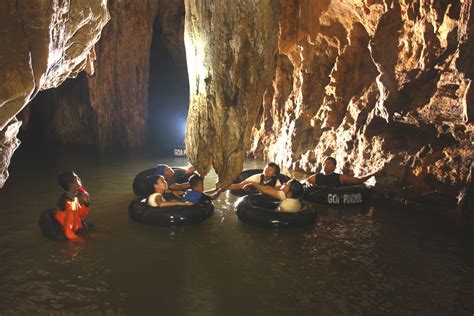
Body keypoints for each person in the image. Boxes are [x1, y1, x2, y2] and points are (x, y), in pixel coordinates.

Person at [54, 171, 91, 240]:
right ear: (71, 184)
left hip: (77, 227)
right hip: (72, 231)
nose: (79, 178)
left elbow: (81, 215)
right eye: (76, 178)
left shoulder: (73, 198)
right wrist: (81, 242)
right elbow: (68, 232)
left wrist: (86, 202)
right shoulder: (68, 204)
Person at [303, 156, 381, 188]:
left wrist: (374, 173)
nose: (325, 165)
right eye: (324, 163)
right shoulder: (318, 176)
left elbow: (358, 180)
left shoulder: (340, 177)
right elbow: (307, 180)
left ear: (334, 167)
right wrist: (308, 183)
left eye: (328, 163)